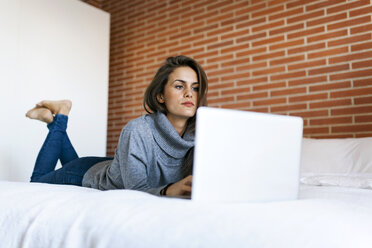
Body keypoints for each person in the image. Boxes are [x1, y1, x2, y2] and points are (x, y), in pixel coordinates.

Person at [26, 55, 208, 197]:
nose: (189, 94)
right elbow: (134, 192)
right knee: (37, 182)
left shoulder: (203, 136)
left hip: (113, 168)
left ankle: (53, 120)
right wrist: (167, 191)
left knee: (70, 163)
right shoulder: (138, 130)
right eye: (179, 86)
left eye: (195, 88)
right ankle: (60, 116)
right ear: (160, 96)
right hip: (86, 173)